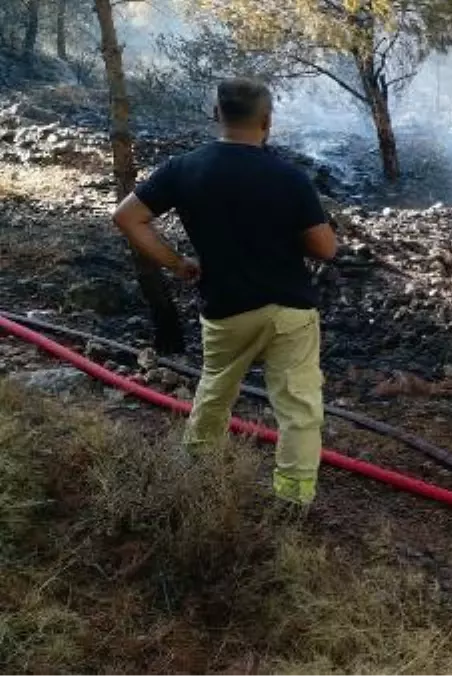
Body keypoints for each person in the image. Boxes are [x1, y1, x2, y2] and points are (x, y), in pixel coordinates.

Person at [112, 78, 337, 508]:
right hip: (289, 309)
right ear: (268, 121)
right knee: (299, 407)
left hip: (225, 306)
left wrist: (178, 264)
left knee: (215, 390)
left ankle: (197, 468)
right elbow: (325, 248)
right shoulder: (289, 177)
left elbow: (126, 218)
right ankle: (293, 499)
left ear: (216, 115)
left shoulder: (184, 168)